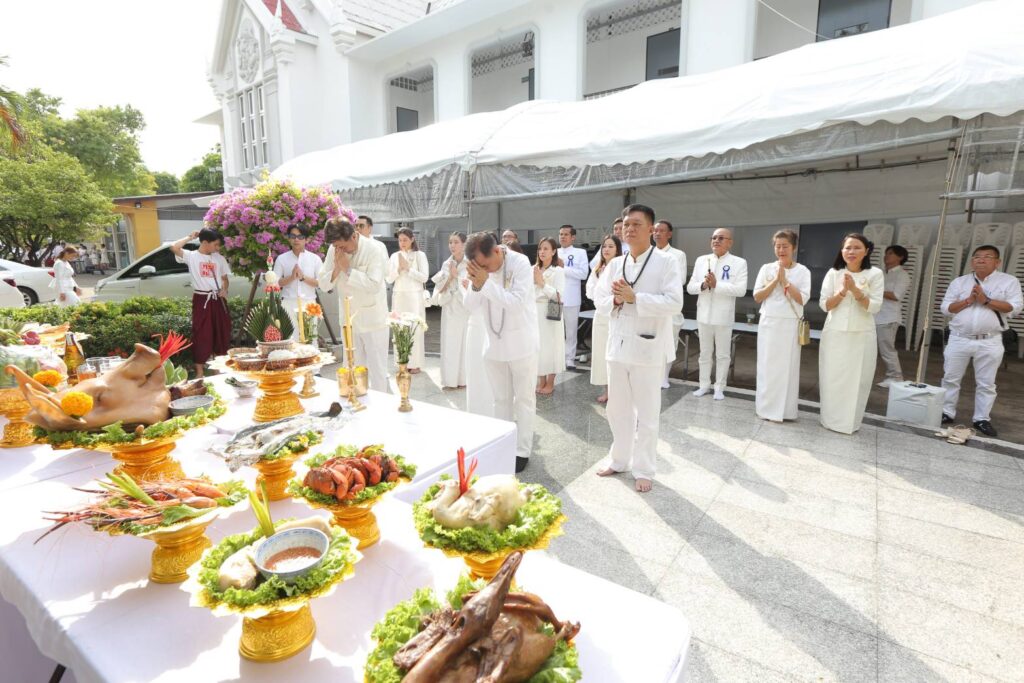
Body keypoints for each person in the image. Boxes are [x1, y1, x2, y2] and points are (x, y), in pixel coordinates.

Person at [595, 205, 683, 493]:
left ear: (651, 229)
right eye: (626, 225)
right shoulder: (615, 264)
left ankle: (644, 468)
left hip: (648, 346)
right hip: (618, 345)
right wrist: (616, 301)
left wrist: (636, 298)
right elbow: (599, 299)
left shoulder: (666, 262)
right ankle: (619, 459)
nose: (629, 229)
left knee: (646, 412)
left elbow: (675, 302)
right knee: (617, 409)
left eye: (636, 224)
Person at [464, 231, 539, 472]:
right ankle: (503, 444)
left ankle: (522, 450)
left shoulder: (520, 263)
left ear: (497, 251)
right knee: (500, 400)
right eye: (478, 267)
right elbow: (469, 305)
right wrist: (476, 285)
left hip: (521, 344)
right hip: (493, 345)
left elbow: (516, 303)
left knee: (524, 399)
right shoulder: (481, 271)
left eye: (485, 265)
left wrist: (485, 283)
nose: (484, 270)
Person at [939, 245, 1023, 437]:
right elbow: (946, 308)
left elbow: (1015, 308)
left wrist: (986, 300)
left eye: (987, 256)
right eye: (977, 257)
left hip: (989, 340)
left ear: (997, 262)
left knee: (986, 383)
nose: (981, 260)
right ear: (972, 261)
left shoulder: (1009, 281)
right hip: (959, 338)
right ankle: (946, 412)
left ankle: (981, 419)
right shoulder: (959, 282)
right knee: (950, 378)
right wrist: (968, 301)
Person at [818, 233, 884, 434]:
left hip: (861, 335)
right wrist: (842, 292)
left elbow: (874, 307)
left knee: (857, 379)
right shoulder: (834, 273)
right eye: (848, 247)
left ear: (866, 251)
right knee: (832, 377)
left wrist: (855, 290)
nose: (851, 252)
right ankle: (829, 420)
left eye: (857, 247)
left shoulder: (875, 274)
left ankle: (849, 424)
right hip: (835, 333)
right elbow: (824, 305)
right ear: (842, 251)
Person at [317, 218, 391, 392]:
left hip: (374, 320)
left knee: (378, 371)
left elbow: (374, 284)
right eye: (336, 246)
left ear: (353, 236)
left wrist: (348, 270)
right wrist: (337, 268)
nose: (340, 250)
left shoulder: (374, 249)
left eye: (342, 246)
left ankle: (381, 407)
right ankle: (355, 404)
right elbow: (323, 284)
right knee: (352, 368)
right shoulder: (335, 249)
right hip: (348, 320)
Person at [752, 230, 811, 422]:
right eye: (777, 246)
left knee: (787, 367)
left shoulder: (803, 271)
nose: (781, 250)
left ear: (794, 247)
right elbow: (757, 296)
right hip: (769, 321)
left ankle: (785, 411)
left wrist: (785, 281)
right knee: (766, 365)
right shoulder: (766, 268)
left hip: (790, 323)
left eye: (785, 246)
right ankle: (765, 409)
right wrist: (775, 281)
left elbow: (802, 299)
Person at [686, 228, 748, 400]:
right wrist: (703, 285)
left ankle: (719, 387)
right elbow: (690, 287)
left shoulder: (739, 262)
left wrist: (716, 285)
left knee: (722, 355)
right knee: (704, 353)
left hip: (723, 316)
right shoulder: (701, 260)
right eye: (713, 238)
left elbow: (741, 290)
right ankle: (704, 385)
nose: (716, 241)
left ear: (730, 242)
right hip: (703, 314)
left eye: (721, 238)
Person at [171, 229, 231, 377]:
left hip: (218, 299)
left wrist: (225, 289)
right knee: (201, 333)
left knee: (220, 332)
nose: (217, 248)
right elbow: (174, 247)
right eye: (215, 244)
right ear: (205, 242)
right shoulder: (192, 256)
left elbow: (225, 279)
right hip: (202, 299)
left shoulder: (219, 258)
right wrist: (190, 237)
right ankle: (199, 371)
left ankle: (218, 369)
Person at [386, 228, 429, 373]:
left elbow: (424, 277)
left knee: (414, 328)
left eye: (405, 240)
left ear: (412, 239)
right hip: (399, 295)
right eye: (400, 240)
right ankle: (402, 362)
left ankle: (415, 363)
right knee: (399, 327)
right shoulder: (394, 256)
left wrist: (409, 269)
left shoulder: (419, 255)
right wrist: (398, 270)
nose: (402, 243)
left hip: (414, 296)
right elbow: (388, 278)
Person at [431, 232, 470, 389]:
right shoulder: (446, 264)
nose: (452, 245)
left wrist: (458, 278)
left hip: (465, 307)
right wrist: (451, 277)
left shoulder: (471, 263)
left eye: (456, 242)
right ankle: (449, 380)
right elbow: (439, 288)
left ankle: (464, 379)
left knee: (464, 343)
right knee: (449, 343)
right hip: (449, 306)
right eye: (450, 242)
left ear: (464, 244)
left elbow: (474, 286)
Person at [586, 235, 622, 403]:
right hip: (600, 314)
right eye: (604, 246)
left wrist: (607, 297)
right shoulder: (597, 269)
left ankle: (618, 391)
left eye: (611, 246)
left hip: (616, 313)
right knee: (601, 353)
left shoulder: (621, 267)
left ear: (617, 249)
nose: (606, 249)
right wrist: (600, 293)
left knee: (616, 355)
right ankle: (607, 390)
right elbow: (589, 291)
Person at [273, 226, 324, 341]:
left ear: (307, 239)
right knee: (289, 340)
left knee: (310, 339)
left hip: (309, 304)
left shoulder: (315, 259)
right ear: (289, 239)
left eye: (300, 237)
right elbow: (275, 283)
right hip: (288, 303)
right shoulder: (281, 259)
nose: (296, 239)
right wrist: (292, 277)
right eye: (293, 236)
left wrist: (303, 277)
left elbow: (321, 283)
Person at [653, 220, 687, 389]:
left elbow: (680, 280)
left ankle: (664, 377)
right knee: (651, 342)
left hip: (668, 304)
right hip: (651, 305)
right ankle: (652, 375)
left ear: (669, 234)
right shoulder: (648, 252)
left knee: (669, 342)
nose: (657, 233)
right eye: (655, 230)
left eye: (661, 230)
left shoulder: (677, 255)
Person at [534, 237, 566, 395]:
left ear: (553, 252)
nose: (542, 252)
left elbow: (558, 295)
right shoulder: (534, 269)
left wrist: (542, 284)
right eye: (540, 248)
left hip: (551, 310)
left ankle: (550, 382)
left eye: (546, 249)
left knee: (551, 346)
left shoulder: (558, 271)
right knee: (538, 346)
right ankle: (541, 380)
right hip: (535, 311)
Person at [875, 245, 911, 388]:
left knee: (887, 349)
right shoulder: (881, 273)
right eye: (886, 253)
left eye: (890, 253)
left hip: (888, 318)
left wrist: (875, 290)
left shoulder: (902, 275)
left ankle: (896, 377)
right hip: (874, 315)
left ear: (900, 257)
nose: (886, 256)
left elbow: (896, 295)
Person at [557, 225, 589, 369]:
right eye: (560, 234)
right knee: (555, 330)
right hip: (554, 297)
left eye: (566, 234)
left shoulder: (580, 253)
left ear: (573, 237)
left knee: (571, 331)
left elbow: (583, 274)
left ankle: (569, 358)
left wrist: (564, 268)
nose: (562, 237)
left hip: (571, 298)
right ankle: (557, 357)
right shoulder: (554, 251)